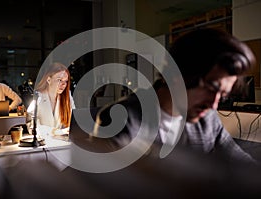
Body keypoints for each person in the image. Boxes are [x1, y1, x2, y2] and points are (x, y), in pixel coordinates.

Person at [93, 28, 258, 164]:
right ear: (177, 74)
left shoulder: (208, 119)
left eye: (222, 95)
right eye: (210, 88)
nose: (213, 105)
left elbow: (241, 162)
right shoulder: (122, 119)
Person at [27, 62, 75, 139]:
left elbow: (73, 122)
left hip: (63, 142)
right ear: (49, 80)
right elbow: (33, 128)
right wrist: (59, 132)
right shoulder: (38, 97)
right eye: (59, 80)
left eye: (65, 81)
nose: (63, 84)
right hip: (44, 144)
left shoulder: (67, 97)